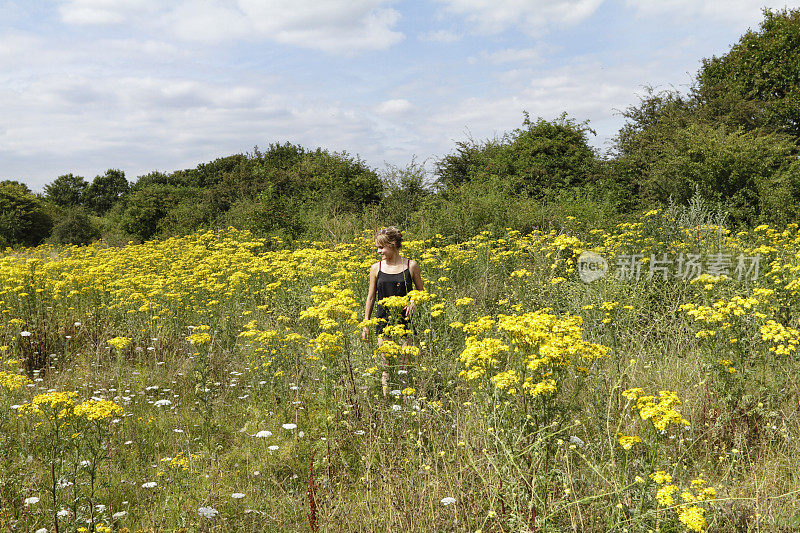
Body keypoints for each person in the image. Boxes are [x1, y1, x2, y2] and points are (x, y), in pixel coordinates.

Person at [361, 227, 424, 395]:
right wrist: (366, 324)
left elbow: (420, 291)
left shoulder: (411, 265)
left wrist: (413, 303)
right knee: (386, 363)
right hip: (383, 320)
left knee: (404, 363)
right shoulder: (376, 268)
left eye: (381, 247)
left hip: (405, 321)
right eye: (377, 247)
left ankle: (405, 399)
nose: (378, 251)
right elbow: (371, 297)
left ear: (393, 244)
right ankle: (386, 399)